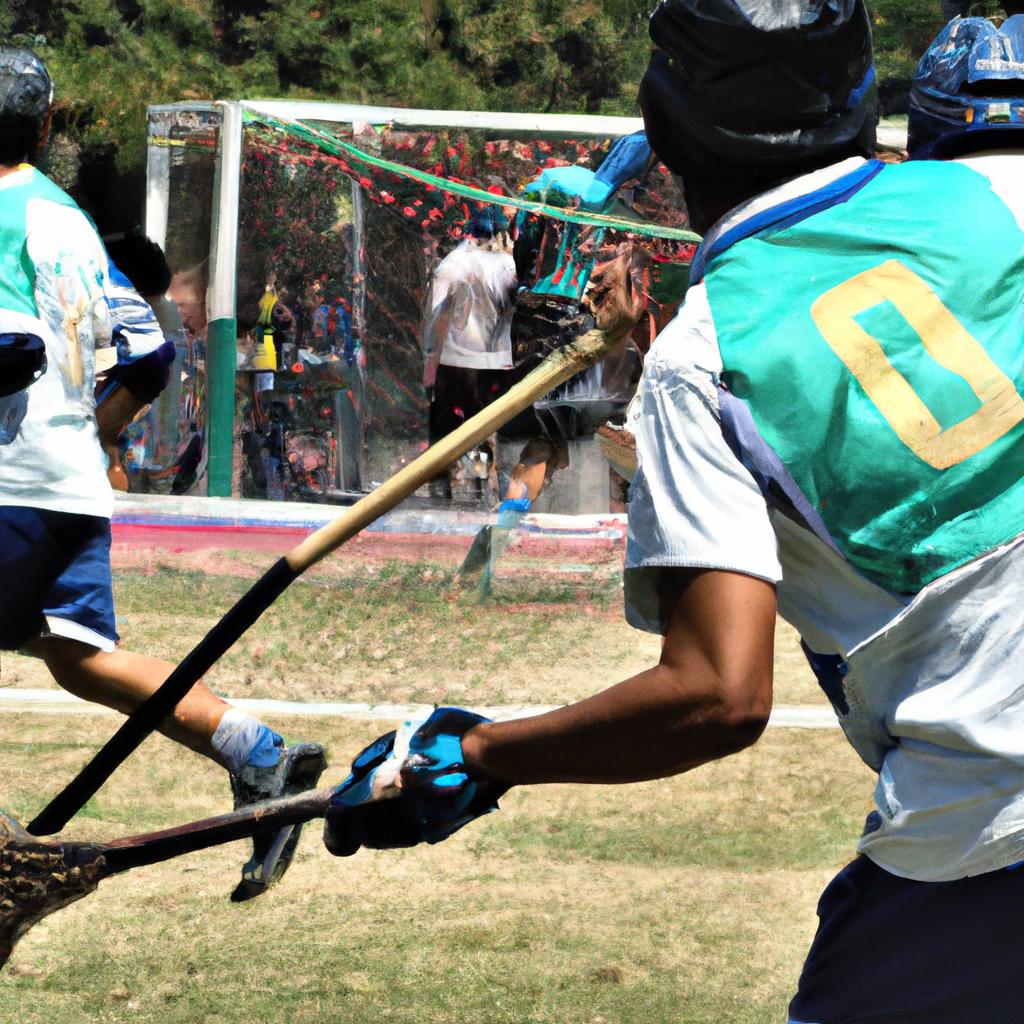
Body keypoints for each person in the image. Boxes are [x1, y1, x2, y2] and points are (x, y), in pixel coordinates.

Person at [321, 3, 1024, 1020]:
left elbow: (714, 693)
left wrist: (476, 757)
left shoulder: (700, 358)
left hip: (986, 819)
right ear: (869, 96)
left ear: (664, 125)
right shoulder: (992, 193)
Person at [0, 47, 326, 902]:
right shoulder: (63, 214)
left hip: (8, 482)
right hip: (67, 485)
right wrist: (86, 437)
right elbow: (146, 353)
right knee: (78, 656)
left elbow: (12, 348)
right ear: (42, 126)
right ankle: (261, 756)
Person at [423, 206, 517, 501]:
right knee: (493, 427)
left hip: (455, 362)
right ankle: (491, 490)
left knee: (444, 426)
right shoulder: (508, 265)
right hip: (498, 362)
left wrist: (429, 363)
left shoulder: (451, 264)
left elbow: (436, 317)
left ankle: (441, 490)